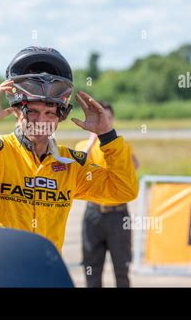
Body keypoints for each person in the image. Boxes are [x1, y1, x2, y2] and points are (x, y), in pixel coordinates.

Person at [0, 46, 139, 252]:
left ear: (60, 117)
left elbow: (123, 190)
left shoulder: (71, 164)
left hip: (47, 273)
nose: (40, 120)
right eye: (32, 111)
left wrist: (107, 136)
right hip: (0, 271)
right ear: (16, 112)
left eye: (50, 113)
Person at [75, 102, 139, 287]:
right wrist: (90, 141)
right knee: (91, 266)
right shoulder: (83, 145)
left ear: (112, 121)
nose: (105, 122)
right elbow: (77, 165)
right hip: (94, 213)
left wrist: (118, 145)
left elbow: (134, 167)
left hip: (117, 215)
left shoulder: (120, 146)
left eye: (108, 118)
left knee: (122, 266)